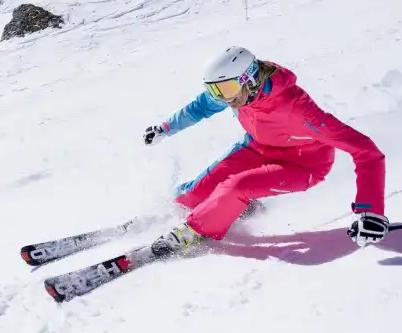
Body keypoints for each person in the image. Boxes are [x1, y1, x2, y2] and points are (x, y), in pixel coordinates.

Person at [143, 46, 387, 256]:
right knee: (193, 196)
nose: (222, 98)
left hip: (302, 165)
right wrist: (165, 128)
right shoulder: (236, 93)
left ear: (248, 79)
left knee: (237, 187)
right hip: (258, 148)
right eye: (215, 90)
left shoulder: (297, 108)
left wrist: (371, 212)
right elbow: (200, 106)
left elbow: (366, 151)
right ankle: (220, 208)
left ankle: (194, 230)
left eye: (225, 90)